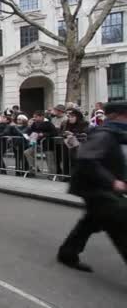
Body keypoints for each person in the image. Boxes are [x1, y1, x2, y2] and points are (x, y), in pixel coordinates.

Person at [57, 101, 127, 272]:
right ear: (117, 115)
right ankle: (67, 253)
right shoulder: (104, 134)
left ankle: (67, 253)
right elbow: (87, 159)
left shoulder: (113, 132)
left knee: (91, 221)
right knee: (121, 225)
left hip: (98, 188)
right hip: (97, 188)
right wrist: (112, 182)